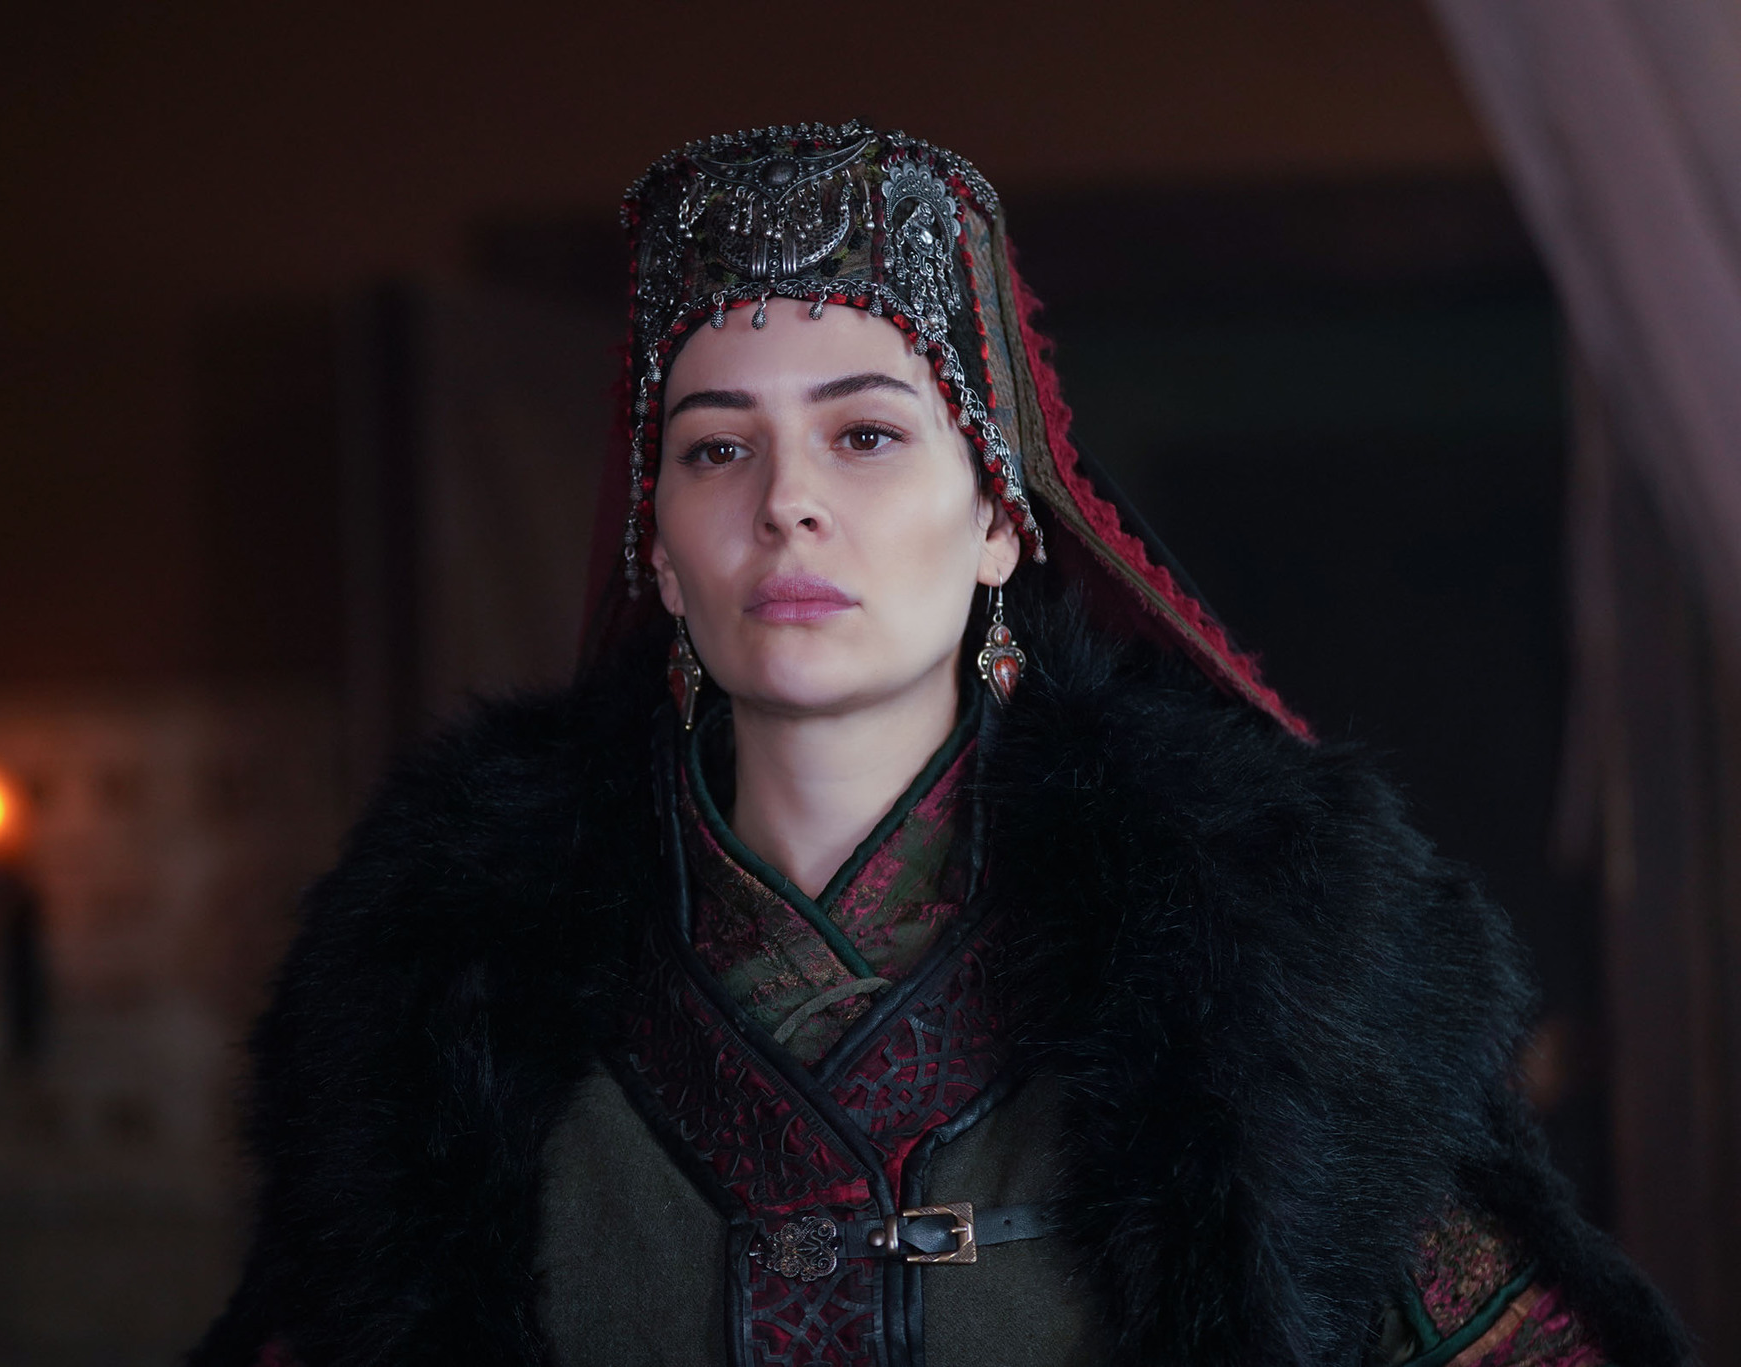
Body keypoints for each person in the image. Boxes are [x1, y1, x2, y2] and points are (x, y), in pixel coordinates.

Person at [192, 122, 1685, 1367]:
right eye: (716, 447)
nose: (786, 501)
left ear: (997, 521)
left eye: (865, 435)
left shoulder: (1267, 970)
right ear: (659, 552)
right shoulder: (443, 999)